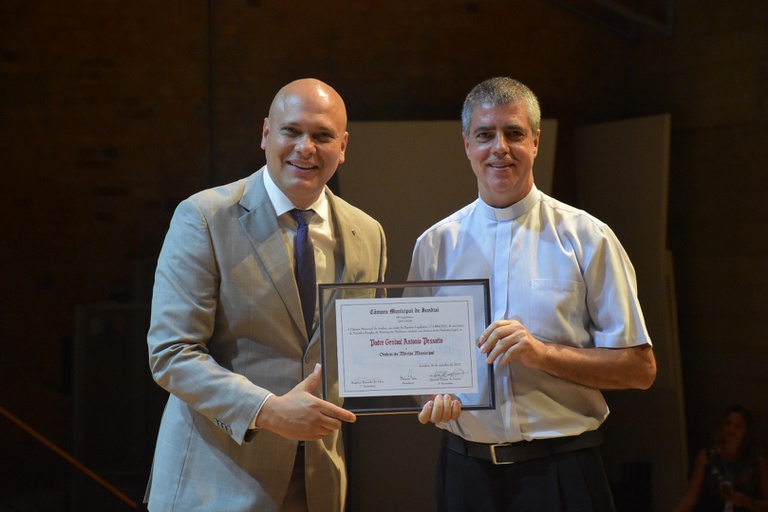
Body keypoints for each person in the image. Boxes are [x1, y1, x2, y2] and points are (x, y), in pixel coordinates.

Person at [408, 76, 657, 511]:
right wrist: (430, 398)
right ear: (467, 144)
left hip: (562, 470)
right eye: (485, 135)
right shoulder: (436, 245)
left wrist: (540, 354)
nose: (499, 148)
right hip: (466, 475)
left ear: (536, 142)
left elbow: (640, 369)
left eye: (514, 133)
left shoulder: (587, 238)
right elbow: (413, 362)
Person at [144, 78, 387, 512]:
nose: (305, 148)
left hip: (317, 484)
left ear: (343, 145)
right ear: (265, 133)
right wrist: (268, 410)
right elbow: (172, 353)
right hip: (215, 482)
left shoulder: (368, 233)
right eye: (291, 131)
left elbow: (371, 350)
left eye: (322, 135)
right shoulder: (204, 217)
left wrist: (436, 388)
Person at [674, 405, 768, 512]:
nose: (731, 429)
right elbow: (690, 499)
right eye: (728, 424)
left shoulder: (757, 464)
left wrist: (747, 502)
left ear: (746, 433)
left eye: (737, 426)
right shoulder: (707, 457)